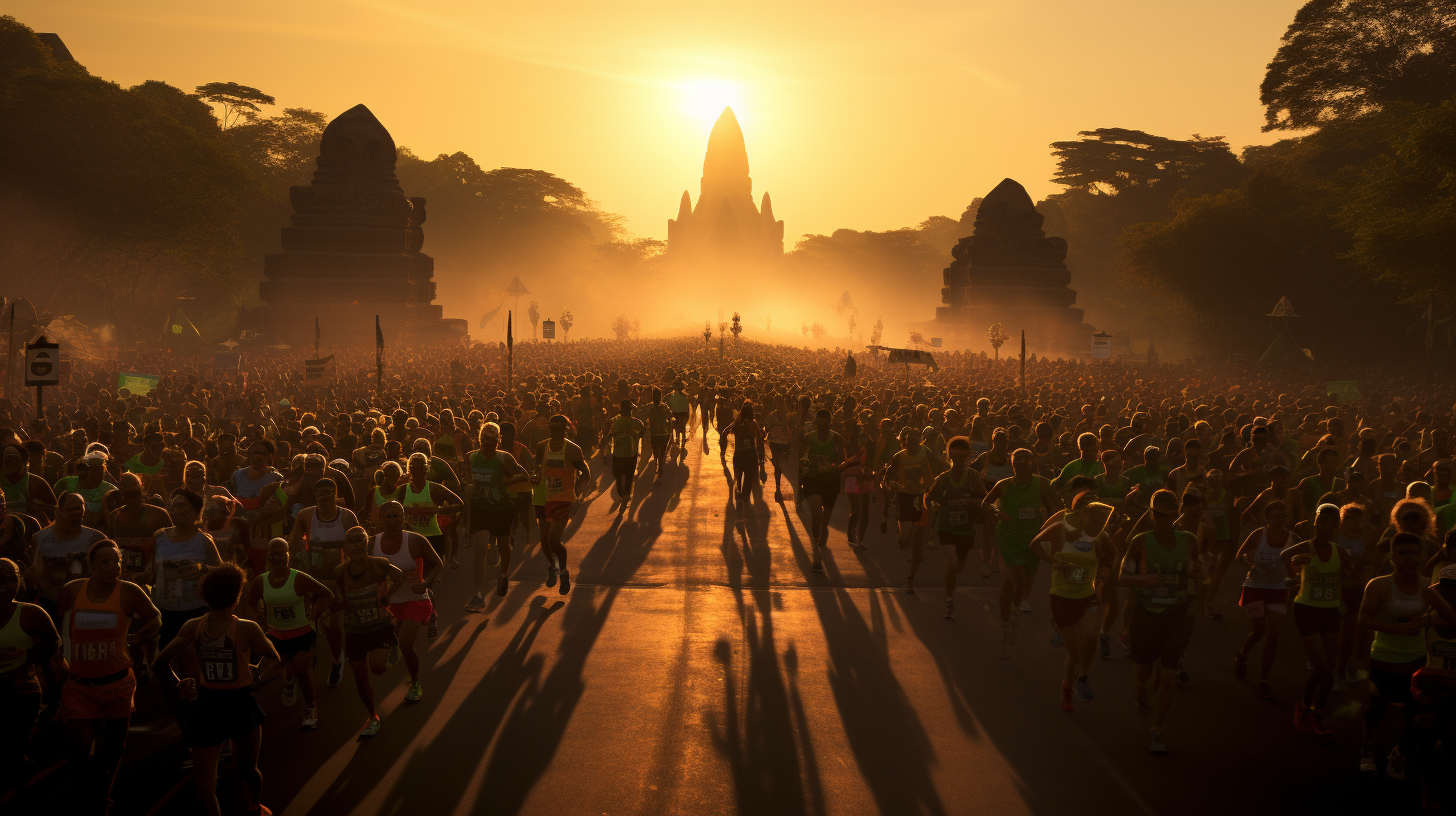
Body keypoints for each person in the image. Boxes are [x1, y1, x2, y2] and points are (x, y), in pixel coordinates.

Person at [153, 563, 278, 816]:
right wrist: (257, 672)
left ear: (204, 595)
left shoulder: (193, 626)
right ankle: (255, 808)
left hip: (206, 705)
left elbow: (159, 664)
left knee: (206, 784)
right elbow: (274, 657)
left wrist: (179, 681)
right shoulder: (246, 628)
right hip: (240, 704)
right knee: (247, 770)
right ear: (238, 596)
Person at [57, 539, 160, 813]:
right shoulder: (72, 590)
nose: (111, 566)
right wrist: (58, 657)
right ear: (91, 565)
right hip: (79, 685)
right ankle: (81, 796)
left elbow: (155, 617)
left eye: (115, 561)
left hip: (117, 683)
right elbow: (59, 625)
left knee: (114, 749)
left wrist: (139, 636)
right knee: (77, 749)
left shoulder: (130, 592)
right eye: (103, 561)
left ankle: (103, 796)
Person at [1357, 532, 1455, 777]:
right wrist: (1396, 629)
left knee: (1413, 712)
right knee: (1376, 708)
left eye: (1414, 553)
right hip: (1383, 657)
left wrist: (1426, 621)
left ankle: (1398, 753)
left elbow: (1451, 617)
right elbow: (1363, 619)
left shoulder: (1426, 587)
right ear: (1393, 556)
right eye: (1404, 553)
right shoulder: (1379, 585)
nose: (1410, 558)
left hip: (1416, 661)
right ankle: (1368, 749)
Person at [1120, 489, 1203, 754]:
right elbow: (1123, 576)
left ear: (1176, 515)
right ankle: (1139, 690)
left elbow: (1198, 569)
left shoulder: (1188, 540)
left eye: (1167, 515)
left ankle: (1157, 730)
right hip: (1146, 613)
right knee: (1143, 672)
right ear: (1151, 514)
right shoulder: (1140, 542)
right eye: (1157, 514)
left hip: (1176, 615)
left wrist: (1197, 574)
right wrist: (1143, 580)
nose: (1162, 520)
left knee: (1168, 677)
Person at [1031, 491, 1117, 711]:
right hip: (1062, 595)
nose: (1087, 514)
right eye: (1083, 509)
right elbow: (1034, 544)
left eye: (1091, 509)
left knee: (1090, 640)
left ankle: (1082, 678)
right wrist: (1056, 562)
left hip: (1088, 594)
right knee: (1075, 652)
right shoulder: (1061, 529)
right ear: (1075, 510)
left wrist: (1104, 571)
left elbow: (1112, 555)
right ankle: (1066, 687)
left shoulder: (1100, 535)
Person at [246, 538, 334, 730]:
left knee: (301, 670)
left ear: (288, 556)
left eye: (280, 554)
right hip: (276, 635)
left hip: (302, 633)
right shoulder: (261, 581)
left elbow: (327, 594)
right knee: (270, 669)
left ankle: (311, 708)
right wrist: (259, 619)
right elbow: (250, 604)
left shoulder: (299, 578)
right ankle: (288, 680)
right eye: (272, 554)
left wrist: (315, 614)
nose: (275, 558)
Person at [1281, 503, 1350, 735]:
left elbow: (1350, 573)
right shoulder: (1307, 548)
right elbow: (1284, 555)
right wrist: (1294, 574)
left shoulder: (1340, 551)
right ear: (1316, 522)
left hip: (1330, 611)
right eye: (1323, 521)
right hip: (1307, 610)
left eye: (1332, 523)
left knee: (1329, 669)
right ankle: (1303, 707)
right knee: (1323, 669)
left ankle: (1318, 712)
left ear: (1337, 526)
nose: (1327, 527)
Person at [983, 448, 1059, 656]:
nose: (1021, 467)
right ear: (1012, 464)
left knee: (1025, 582)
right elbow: (986, 504)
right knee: (1014, 580)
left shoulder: (1042, 483)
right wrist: (998, 512)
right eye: (1017, 463)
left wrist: (1051, 530)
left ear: (1032, 463)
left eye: (1026, 463)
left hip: (1032, 540)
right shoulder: (1004, 485)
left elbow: (1054, 508)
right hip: (1008, 538)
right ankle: (1006, 623)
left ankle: (1013, 613)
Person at [0, 557, 63, 802]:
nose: (4, 586)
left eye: (10, 579)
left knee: (14, 747)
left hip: (22, 691)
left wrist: (28, 656)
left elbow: (53, 642)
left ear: (19, 582)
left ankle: (22, 790)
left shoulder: (31, 613)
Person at [333, 526, 403, 737]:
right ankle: (373, 716)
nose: (355, 546)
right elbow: (341, 593)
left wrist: (388, 595)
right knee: (360, 676)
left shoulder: (379, 564)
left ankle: (393, 645)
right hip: (354, 630)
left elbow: (399, 576)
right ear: (345, 546)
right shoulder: (340, 571)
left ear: (367, 543)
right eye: (351, 542)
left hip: (379, 627)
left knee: (378, 668)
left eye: (359, 541)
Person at [372, 502, 442, 703]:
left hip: (414, 600)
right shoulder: (371, 543)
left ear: (405, 519)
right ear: (381, 519)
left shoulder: (415, 540)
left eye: (397, 516)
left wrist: (425, 583)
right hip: (387, 603)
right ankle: (393, 644)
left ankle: (415, 682)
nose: (393, 520)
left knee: (406, 643)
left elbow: (438, 564)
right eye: (388, 516)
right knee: (377, 664)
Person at [465, 422, 529, 610]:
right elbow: (469, 479)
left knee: (503, 546)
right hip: (479, 506)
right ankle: (478, 594)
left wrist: (506, 483)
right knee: (480, 548)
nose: (488, 444)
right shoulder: (470, 457)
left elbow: (523, 475)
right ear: (480, 440)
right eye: (484, 440)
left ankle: (503, 574)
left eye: (492, 440)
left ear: (497, 441)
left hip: (501, 506)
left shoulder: (504, 458)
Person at [1233, 500, 1293, 698]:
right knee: (1259, 631)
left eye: (1282, 516)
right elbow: (1239, 554)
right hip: (1255, 587)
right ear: (1267, 518)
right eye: (1275, 516)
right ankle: (1242, 655)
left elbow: (1302, 559)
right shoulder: (1259, 534)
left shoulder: (1293, 538)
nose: (1279, 520)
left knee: (1273, 635)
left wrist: (1296, 576)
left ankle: (1264, 680)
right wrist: (1250, 563)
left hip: (1277, 589)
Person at [927, 436, 985, 615]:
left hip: (966, 529)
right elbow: (928, 497)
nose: (959, 460)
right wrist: (930, 505)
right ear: (950, 457)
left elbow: (985, 498)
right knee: (952, 564)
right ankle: (949, 598)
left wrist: (975, 501)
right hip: (945, 527)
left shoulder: (973, 476)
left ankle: (950, 588)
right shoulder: (943, 478)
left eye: (962, 457)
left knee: (958, 567)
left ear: (968, 456)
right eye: (956, 457)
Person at [28, 491, 107, 623]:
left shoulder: (95, 538)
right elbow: (34, 571)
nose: (77, 513)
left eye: (80, 509)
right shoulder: (40, 539)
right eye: (71, 509)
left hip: (84, 601)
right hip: (49, 602)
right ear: (59, 511)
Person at [534, 415, 591, 593]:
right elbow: (536, 469)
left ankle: (564, 572)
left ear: (565, 430)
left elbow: (586, 474)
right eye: (552, 429)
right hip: (542, 496)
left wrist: (576, 494)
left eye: (559, 429)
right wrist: (534, 478)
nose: (555, 432)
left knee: (553, 539)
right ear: (549, 428)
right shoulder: (542, 447)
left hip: (563, 497)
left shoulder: (572, 450)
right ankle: (553, 567)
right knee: (544, 540)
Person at [800, 409, 846, 572]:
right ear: (816, 421)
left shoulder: (837, 438)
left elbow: (843, 458)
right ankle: (816, 553)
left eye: (826, 421)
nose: (823, 424)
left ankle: (822, 531)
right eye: (820, 420)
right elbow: (801, 459)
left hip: (830, 482)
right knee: (816, 515)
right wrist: (800, 484)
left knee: (824, 519)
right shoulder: (808, 438)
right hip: (812, 480)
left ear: (830, 422)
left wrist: (835, 465)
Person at [724, 400, 766, 501]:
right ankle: (745, 497)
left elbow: (726, 431)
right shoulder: (753, 423)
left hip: (739, 452)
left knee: (738, 475)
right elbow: (759, 437)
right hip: (751, 453)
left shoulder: (737, 422)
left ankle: (738, 490)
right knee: (748, 477)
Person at [607, 401, 645, 508]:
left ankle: (622, 494)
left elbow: (610, 434)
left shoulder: (616, 422)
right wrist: (636, 436)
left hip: (618, 453)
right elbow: (642, 430)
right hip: (631, 453)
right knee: (629, 476)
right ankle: (626, 495)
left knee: (617, 475)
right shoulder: (636, 422)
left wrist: (604, 443)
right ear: (631, 411)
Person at [644, 388, 675, 484]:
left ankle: (658, 474)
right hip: (664, 434)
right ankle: (659, 475)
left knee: (657, 455)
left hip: (654, 434)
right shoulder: (664, 407)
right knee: (662, 455)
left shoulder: (649, 407)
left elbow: (643, 417)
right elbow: (671, 417)